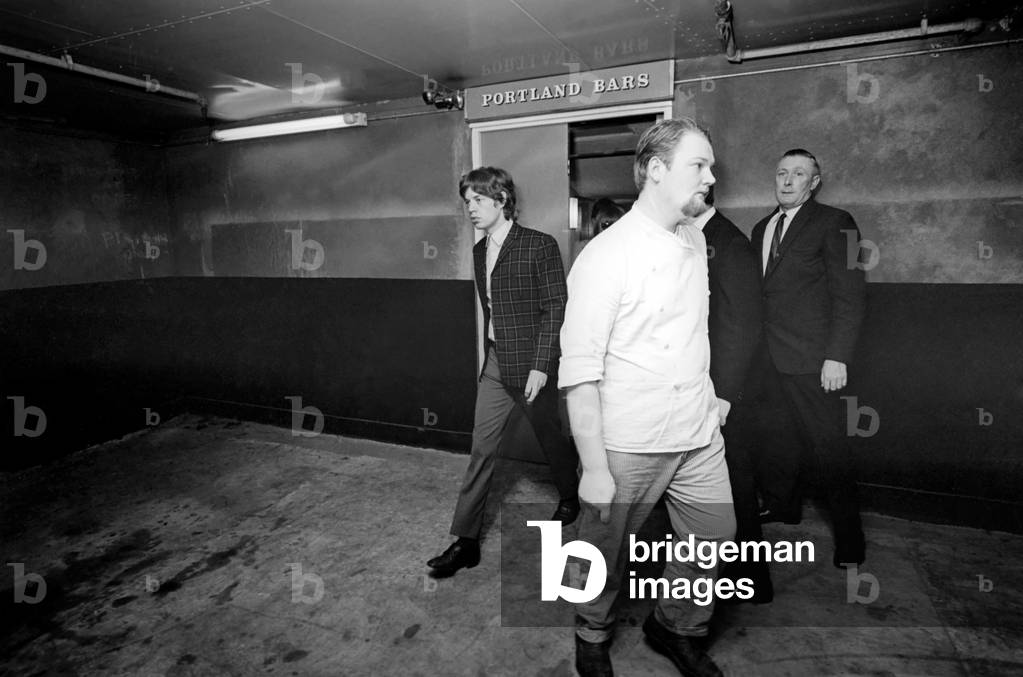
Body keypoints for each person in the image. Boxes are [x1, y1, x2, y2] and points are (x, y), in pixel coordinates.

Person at [559, 119, 734, 677]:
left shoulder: (694, 236)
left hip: (699, 430)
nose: (711, 177)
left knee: (713, 537)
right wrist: (593, 467)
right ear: (656, 170)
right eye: (699, 166)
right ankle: (591, 632)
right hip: (630, 438)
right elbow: (580, 370)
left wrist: (712, 397)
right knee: (603, 546)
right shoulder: (606, 256)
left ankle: (674, 625)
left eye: (710, 166)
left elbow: (691, 330)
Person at [427, 166, 580, 577]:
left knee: (551, 437)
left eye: (477, 200)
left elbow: (556, 308)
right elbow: (493, 312)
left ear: (502, 200)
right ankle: (466, 541)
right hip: (496, 364)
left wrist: (542, 366)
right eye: (466, 203)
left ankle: (571, 495)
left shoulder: (539, 245)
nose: (471, 209)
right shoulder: (480, 252)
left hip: (532, 365)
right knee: (482, 449)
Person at [750, 149, 867, 568]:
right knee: (777, 441)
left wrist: (837, 356)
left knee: (829, 450)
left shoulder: (835, 222)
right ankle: (783, 506)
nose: (786, 180)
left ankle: (851, 541)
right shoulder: (762, 227)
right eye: (781, 172)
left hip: (814, 362)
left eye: (798, 174)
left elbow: (850, 296)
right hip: (769, 360)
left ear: (814, 182)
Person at [685, 186, 773, 603]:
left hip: (726, 390)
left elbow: (743, 326)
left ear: (701, 194)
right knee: (717, 488)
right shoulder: (690, 236)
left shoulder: (730, 242)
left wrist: (725, 396)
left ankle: (753, 582)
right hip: (703, 382)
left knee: (736, 485)